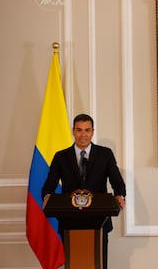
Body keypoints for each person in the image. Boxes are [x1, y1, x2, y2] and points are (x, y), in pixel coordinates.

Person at [42, 113, 126, 269]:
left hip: (99, 219)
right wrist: (47, 195)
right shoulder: (61, 156)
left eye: (87, 130)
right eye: (79, 130)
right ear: (73, 131)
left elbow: (116, 180)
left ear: (92, 131)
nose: (83, 135)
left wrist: (119, 195)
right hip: (69, 220)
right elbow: (50, 182)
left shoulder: (105, 154)